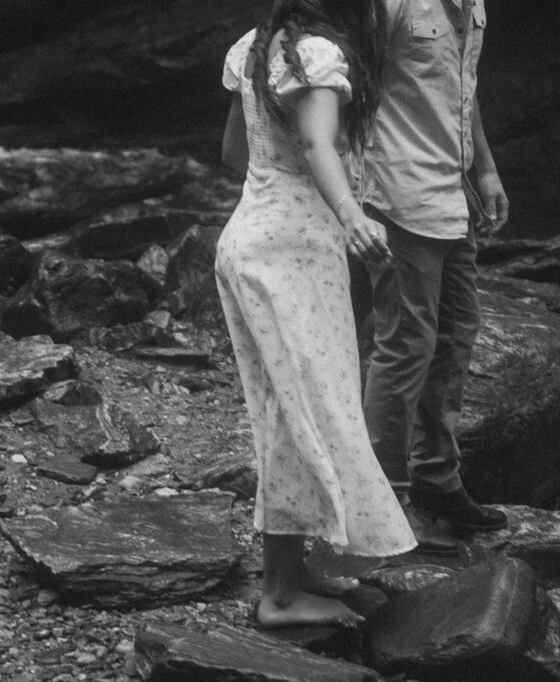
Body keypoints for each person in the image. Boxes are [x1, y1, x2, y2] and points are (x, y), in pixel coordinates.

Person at [216, 0, 418, 629]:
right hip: (292, 253)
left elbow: (232, 152)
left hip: (249, 237)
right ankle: (279, 595)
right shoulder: (320, 55)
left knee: (289, 408)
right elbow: (316, 141)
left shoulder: (254, 46)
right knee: (303, 412)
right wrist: (352, 215)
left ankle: (291, 570)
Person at [349, 0, 510, 550]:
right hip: (397, 191)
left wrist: (483, 167)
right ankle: (382, 499)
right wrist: (350, 193)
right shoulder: (389, 5)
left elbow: (461, 87)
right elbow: (344, 79)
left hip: (451, 191)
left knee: (456, 334)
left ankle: (437, 480)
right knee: (405, 345)